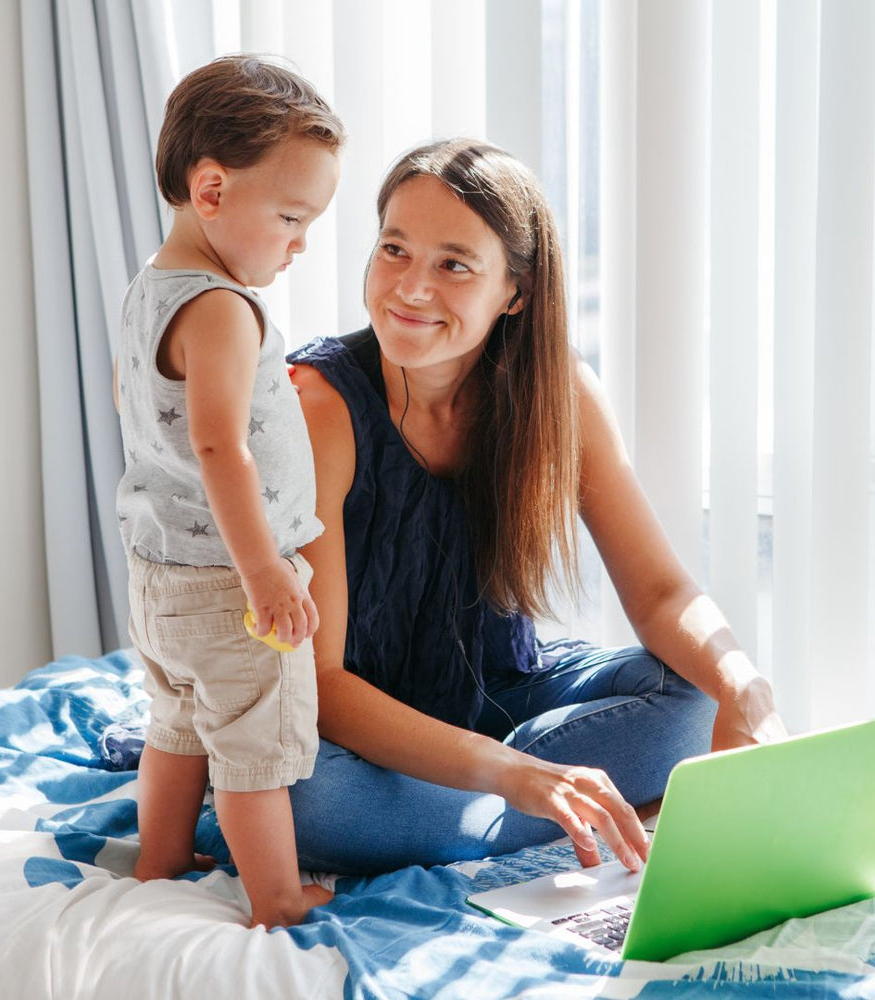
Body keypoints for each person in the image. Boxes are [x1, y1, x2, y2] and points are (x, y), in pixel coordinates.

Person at [282, 138, 787, 878]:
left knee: (694, 698)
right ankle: (542, 803)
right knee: (313, 801)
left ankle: (483, 813)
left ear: (515, 290)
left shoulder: (559, 392)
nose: (411, 288)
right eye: (394, 249)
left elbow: (661, 591)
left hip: (500, 696)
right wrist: (519, 775)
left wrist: (746, 688)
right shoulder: (319, 404)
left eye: (453, 264)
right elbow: (321, 687)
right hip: (360, 738)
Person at [112, 55, 344, 928]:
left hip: (161, 573)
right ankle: (277, 899)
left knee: (176, 723)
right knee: (255, 743)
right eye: (290, 217)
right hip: (228, 577)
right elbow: (219, 445)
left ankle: (164, 858)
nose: (299, 242)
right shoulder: (220, 306)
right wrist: (266, 573)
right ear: (211, 191)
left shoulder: (152, 289)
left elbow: (132, 400)